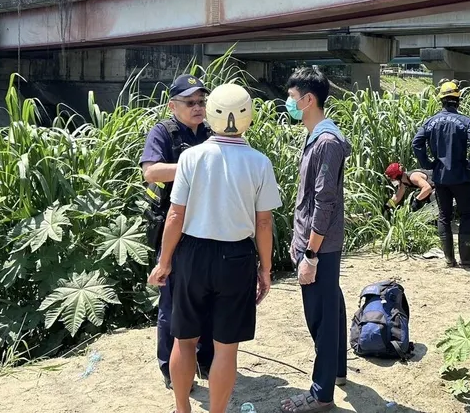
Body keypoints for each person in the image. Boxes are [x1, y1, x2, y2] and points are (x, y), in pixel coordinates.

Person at [148, 83, 282, 413]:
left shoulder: (191, 158)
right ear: (249, 117)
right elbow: (264, 223)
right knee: (226, 350)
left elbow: (175, 215)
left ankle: (182, 408)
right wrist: (265, 269)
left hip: (192, 254)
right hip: (236, 257)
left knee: (184, 339)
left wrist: (164, 262)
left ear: (211, 114)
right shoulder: (259, 162)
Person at [281, 68, 352, 413]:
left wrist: (310, 253)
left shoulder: (326, 141)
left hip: (318, 245)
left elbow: (325, 201)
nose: (289, 104)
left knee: (320, 317)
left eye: (292, 98)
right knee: (331, 304)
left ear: (308, 100)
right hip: (316, 242)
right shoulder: (318, 136)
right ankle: (336, 370)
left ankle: (321, 393)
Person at [139, 74, 214, 389]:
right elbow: (151, 171)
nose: (198, 107)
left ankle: (206, 364)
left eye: (201, 102)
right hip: (176, 232)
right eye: (190, 102)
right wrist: (193, 163)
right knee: (172, 307)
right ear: (173, 106)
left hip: (210, 229)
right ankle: (171, 370)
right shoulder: (163, 132)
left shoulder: (214, 132)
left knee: (209, 302)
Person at [412, 80, 470, 269]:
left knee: (444, 216)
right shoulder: (465, 121)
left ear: (441, 101)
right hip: (462, 177)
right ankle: (467, 258)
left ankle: (449, 259)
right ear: (458, 100)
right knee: (466, 215)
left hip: (440, 177)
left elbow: (416, 143)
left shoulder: (431, 121)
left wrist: (427, 164)